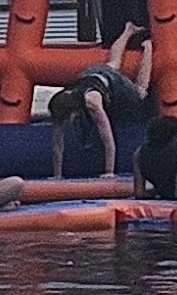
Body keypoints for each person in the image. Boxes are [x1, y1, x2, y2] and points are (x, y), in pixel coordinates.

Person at [47, 23, 153, 180]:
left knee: (140, 92)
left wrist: (109, 171)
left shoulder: (92, 102)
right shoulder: (60, 103)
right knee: (113, 65)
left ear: (73, 110)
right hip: (90, 73)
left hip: (109, 82)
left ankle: (148, 47)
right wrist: (57, 175)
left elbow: (107, 136)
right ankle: (128, 30)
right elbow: (57, 143)